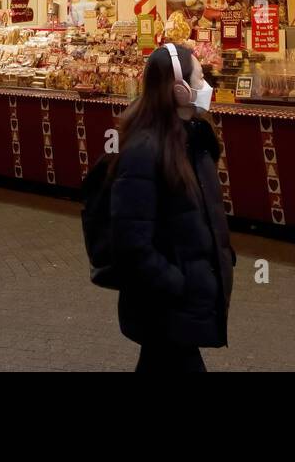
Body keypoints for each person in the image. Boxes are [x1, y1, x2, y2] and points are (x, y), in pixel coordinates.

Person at [108, 41, 234, 372]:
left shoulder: (194, 141)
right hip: (166, 308)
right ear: (178, 89)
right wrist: (176, 283)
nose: (206, 86)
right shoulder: (144, 151)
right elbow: (130, 239)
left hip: (176, 312)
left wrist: (218, 258)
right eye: (199, 78)